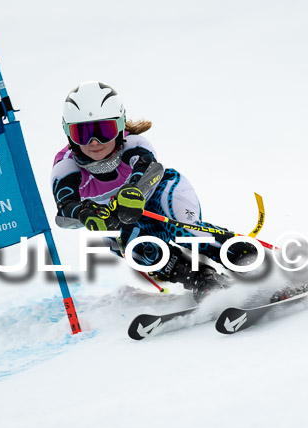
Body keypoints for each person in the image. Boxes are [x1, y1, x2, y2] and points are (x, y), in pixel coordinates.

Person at [51, 81, 248, 301]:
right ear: (68, 133)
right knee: (133, 248)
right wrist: (83, 212)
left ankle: (249, 260)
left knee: (184, 230)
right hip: (120, 218)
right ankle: (204, 280)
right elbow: (63, 211)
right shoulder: (65, 166)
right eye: (83, 133)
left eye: (103, 130)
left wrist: (132, 190)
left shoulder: (133, 143)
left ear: (119, 126)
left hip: (161, 193)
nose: (94, 142)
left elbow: (150, 170)